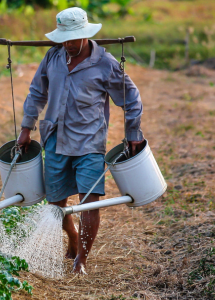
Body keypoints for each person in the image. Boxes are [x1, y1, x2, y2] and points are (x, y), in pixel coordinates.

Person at [16, 7, 144, 274]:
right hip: (55, 139)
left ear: (86, 35)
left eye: (73, 39)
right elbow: (36, 93)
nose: (69, 44)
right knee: (55, 205)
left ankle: (81, 261)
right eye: (64, 39)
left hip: (89, 143)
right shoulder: (53, 57)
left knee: (90, 201)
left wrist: (133, 133)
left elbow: (131, 100)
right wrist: (26, 127)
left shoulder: (105, 64)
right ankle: (72, 237)